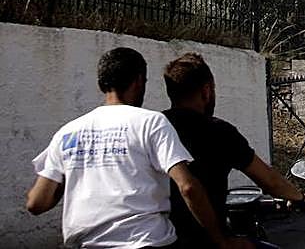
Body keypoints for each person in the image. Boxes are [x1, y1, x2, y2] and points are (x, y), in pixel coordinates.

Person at [25, 46, 252, 249]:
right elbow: (188, 187)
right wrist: (221, 240)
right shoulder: (151, 122)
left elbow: (36, 203)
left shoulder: (67, 133)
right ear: (138, 81)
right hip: (146, 241)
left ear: (101, 83)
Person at [162, 53, 305, 246]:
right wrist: (300, 197)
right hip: (207, 240)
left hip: (159, 239)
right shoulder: (219, 132)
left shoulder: (154, 128)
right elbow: (269, 180)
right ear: (206, 91)